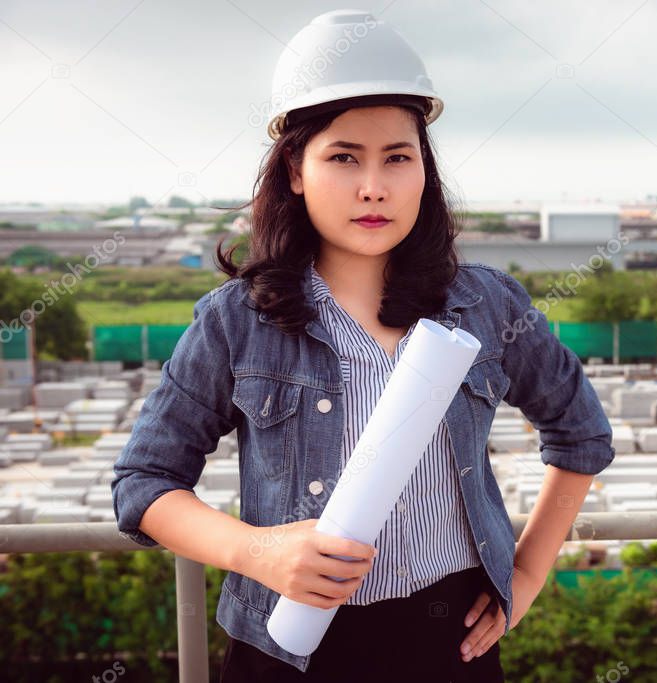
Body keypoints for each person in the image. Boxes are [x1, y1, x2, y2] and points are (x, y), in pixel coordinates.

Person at [110, 9, 615, 681]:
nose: (373, 186)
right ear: (294, 169)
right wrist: (256, 552)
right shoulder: (237, 320)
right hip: (288, 646)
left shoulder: (487, 305)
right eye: (343, 157)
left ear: (422, 171)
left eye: (397, 158)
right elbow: (144, 485)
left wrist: (524, 572)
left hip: (449, 642)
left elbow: (580, 431)